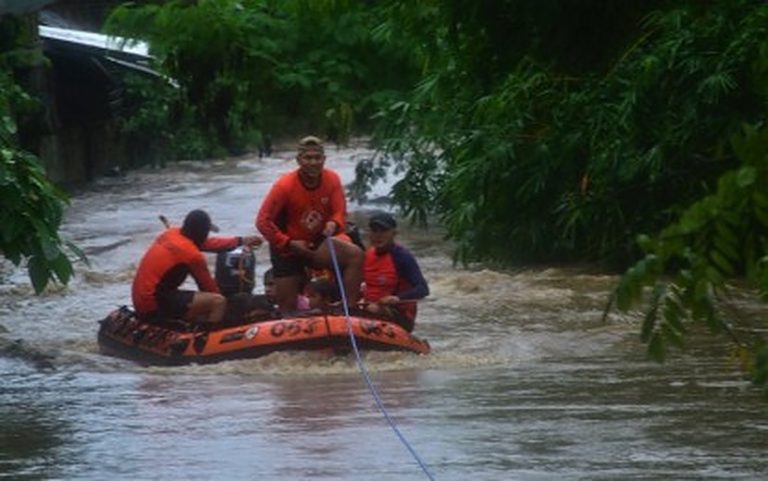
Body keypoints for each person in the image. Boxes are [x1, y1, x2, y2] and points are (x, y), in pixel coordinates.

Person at [256, 135, 363, 311]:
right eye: (308, 158)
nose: (313, 162)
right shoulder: (284, 186)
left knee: (355, 254)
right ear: (299, 160)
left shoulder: (332, 179)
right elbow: (262, 221)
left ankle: (350, 308)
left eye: (317, 158)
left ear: (324, 159)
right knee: (287, 307)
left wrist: (334, 223)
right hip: (286, 247)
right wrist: (288, 243)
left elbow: (340, 211)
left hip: (316, 243)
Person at [132, 209, 262, 325]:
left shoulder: (171, 234)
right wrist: (230, 309)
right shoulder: (192, 255)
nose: (207, 236)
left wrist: (240, 241)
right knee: (218, 302)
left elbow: (208, 244)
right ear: (202, 233)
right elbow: (208, 288)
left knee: (200, 302)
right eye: (206, 232)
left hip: (140, 300)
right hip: (152, 305)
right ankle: (209, 336)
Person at [361, 212, 429, 332]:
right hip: (369, 308)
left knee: (373, 310)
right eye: (374, 231)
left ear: (394, 233)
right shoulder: (367, 255)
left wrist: (397, 298)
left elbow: (423, 289)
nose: (378, 235)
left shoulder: (402, 257)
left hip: (400, 315)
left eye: (383, 231)